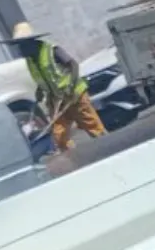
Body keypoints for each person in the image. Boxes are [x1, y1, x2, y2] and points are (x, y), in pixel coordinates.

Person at [7, 22, 105, 154]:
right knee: (59, 135)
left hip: (74, 95)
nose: (20, 50)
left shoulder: (51, 50)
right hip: (56, 99)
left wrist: (71, 86)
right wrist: (40, 90)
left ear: (30, 43)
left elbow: (73, 65)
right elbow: (45, 77)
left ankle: (108, 148)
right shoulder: (30, 59)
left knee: (92, 126)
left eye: (22, 46)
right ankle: (74, 157)